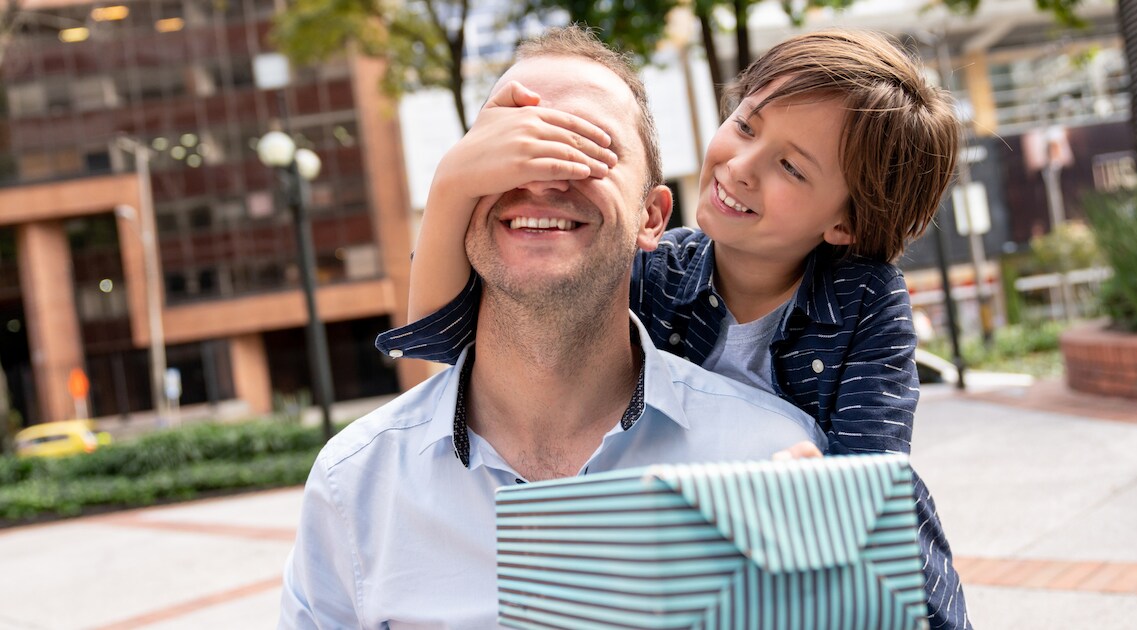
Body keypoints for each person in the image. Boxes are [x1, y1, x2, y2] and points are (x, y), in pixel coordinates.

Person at [396, 28, 971, 628]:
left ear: (846, 224)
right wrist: (453, 186)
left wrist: (808, 493)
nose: (741, 166)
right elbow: (447, 337)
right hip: (681, 540)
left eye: (792, 169)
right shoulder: (656, 269)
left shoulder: (866, 300)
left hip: (802, 536)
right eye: (747, 126)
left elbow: (870, 479)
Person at [279, 27, 829, 629]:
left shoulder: (774, 460)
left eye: (588, 147)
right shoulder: (353, 487)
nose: (543, 175)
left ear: (653, 218)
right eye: (512, 143)